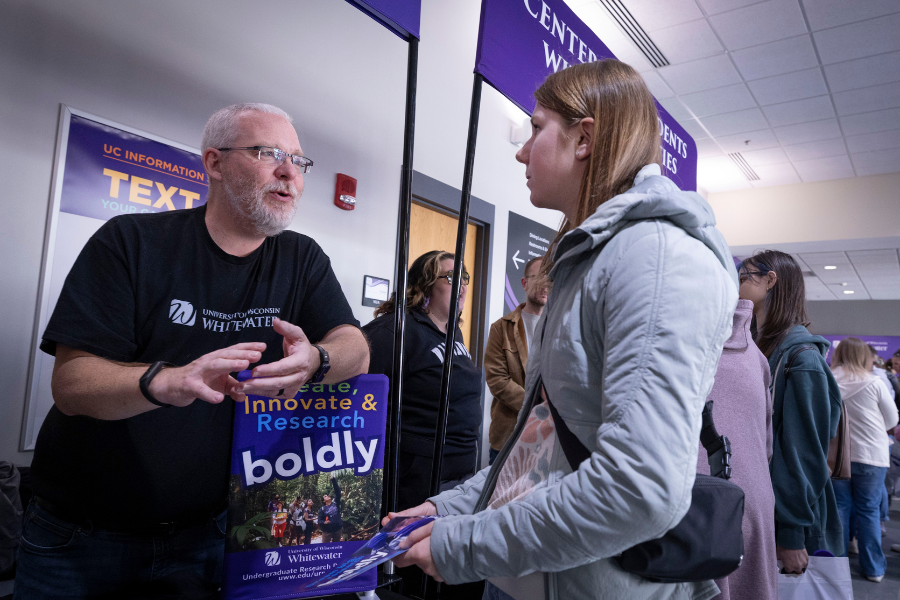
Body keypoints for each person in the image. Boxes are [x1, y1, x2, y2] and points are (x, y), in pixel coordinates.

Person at [386, 59, 738, 600]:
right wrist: (447, 509)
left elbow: (639, 489)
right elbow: (541, 445)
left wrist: (464, 545)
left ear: (583, 138)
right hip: (534, 574)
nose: (523, 150)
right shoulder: (592, 260)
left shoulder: (656, 257)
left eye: (535, 128)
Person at [15, 103, 369, 598]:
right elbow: (72, 385)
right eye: (268, 153)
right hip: (82, 538)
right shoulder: (132, 243)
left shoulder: (301, 258)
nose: (289, 172)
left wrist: (316, 362)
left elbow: (355, 346)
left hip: (210, 535)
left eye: (298, 159)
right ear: (214, 163)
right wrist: (166, 382)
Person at [738, 250, 843, 574]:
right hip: (759, 509)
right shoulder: (760, 347)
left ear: (770, 280)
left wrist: (792, 533)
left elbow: (804, 453)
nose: (737, 284)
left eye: (744, 277)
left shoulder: (802, 360)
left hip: (787, 523)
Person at [363, 251, 482, 509]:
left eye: (465, 278)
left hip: (459, 471)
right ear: (424, 283)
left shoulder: (453, 333)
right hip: (417, 478)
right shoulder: (394, 331)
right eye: (452, 277)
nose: (461, 285)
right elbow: (358, 394)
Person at [696, 299, 777, 600]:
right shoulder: (756, 357)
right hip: (749, 498)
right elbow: (765, 443)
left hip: (693, 507)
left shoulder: (669, 343)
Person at [830, 337, 898, 582]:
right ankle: (874, 569)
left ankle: (835, 567)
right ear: (864, 356)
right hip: (872, 455)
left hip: (836, 457)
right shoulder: (874, 382)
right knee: (869, 511)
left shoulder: (828, 380)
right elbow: (891, 421)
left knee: (838, 508)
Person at [485, 256, 548, 465]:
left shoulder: (560, 328)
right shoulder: (501, 328)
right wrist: (537, 404)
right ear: (524, 283)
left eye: (550, 278)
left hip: (546, 437)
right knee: (498, 497)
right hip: (508, 437)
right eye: (538, 277)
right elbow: (497, 381)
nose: (544, 285)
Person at [318, 476, 343, 543]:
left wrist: (333, 480)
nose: (328, 496)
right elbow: (319, 520)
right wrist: (324, 522)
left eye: (327, 495)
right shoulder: (322, 509)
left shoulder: (335, 502)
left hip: (337, 529)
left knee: (336, 547)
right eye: (325, 496)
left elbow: (338, 492)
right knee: (325, 547)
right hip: (327, 531)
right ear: (324, 501)